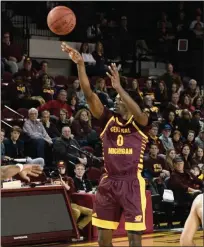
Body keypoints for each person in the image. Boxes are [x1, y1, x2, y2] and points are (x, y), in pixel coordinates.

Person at [61, 42, 148, 247]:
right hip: (109, 182)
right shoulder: (108, 118)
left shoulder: (141, 122)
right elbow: (89, 95)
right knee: (102, 239)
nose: (115, 101)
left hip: (132, 183)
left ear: (129, 101)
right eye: (116, 97)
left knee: (134, 238)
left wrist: (119, 87)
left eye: (119, 99)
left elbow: (140, 116)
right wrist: (81, 65)